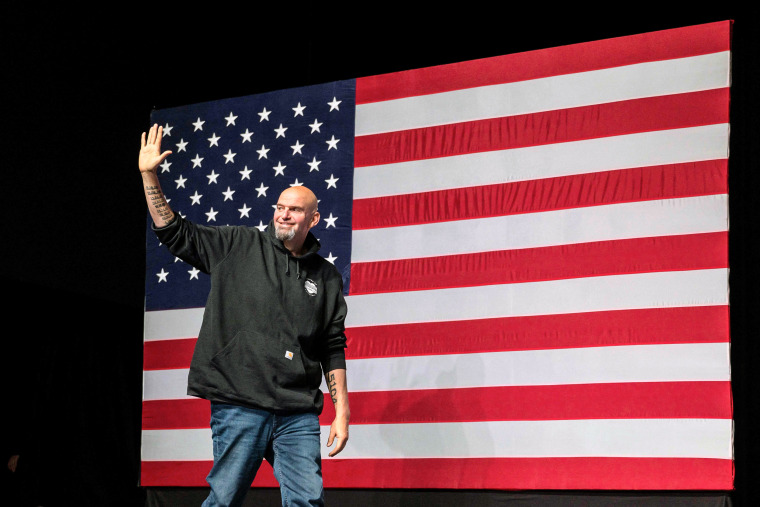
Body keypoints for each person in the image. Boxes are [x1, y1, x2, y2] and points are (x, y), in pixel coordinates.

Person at [139, 124, 350, 507]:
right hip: (239, 401)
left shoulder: (327, 276)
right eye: (280, 207)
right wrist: (149, 174)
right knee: (225, 500)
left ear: (313, 219)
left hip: (298, 409)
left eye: (295, 210)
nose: (284, 215)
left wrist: (342, 413)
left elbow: (332, 346)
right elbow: (174, 232)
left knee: (307, 502)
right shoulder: (238, 244)